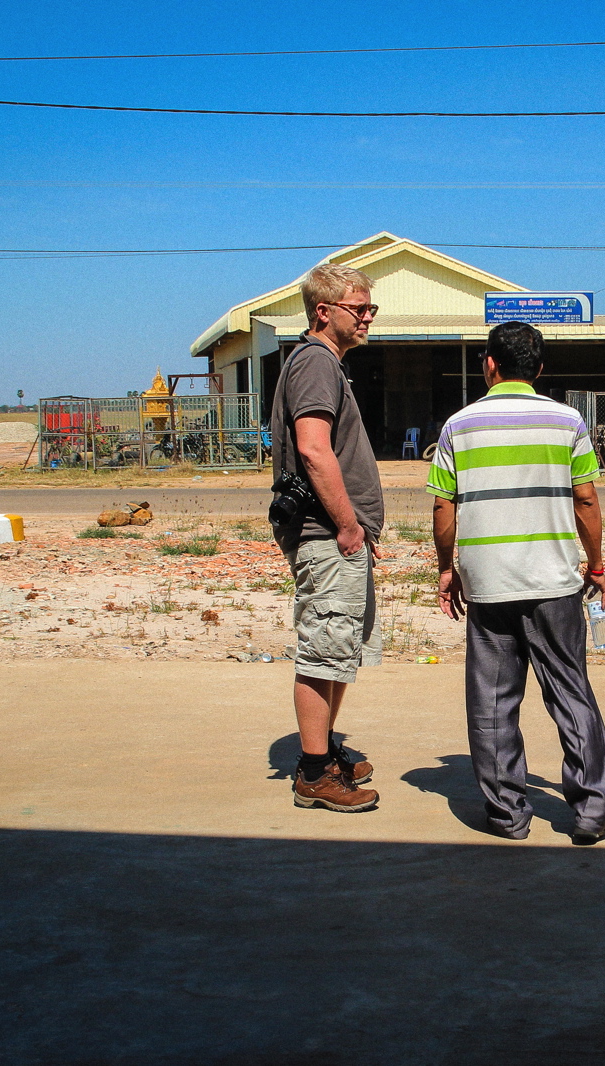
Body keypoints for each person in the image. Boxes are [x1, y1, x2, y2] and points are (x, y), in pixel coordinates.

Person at [427, 321, 605, 845]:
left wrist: (448, 568)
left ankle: (508, 815)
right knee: (570, 693)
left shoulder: (458, 426)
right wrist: (595, 565)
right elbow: (585, 500)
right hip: (554, 581)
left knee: (493, 701)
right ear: (538, 369)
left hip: (487, 583)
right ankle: (590, 813)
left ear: (489, 364)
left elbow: (444, 506)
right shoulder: (568, 422)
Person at [270, 263, 385, 813]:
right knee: (323, 650)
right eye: (358, 308)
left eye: (370, 309)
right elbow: (314, 449)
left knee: (339, 650)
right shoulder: (316, 363)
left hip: (338, 534)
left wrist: (359, 525)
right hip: (326, 534)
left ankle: (324, 753)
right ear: (323, 312)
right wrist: (345, 523)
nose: (367, 317)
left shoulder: (325, 365)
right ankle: (314, 773)